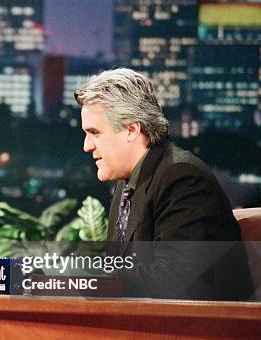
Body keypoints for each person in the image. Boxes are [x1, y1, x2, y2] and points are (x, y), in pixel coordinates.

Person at [74, 68, 253, 300]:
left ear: (131, 129)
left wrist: (81, 278)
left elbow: (166, 281)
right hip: (141, 324)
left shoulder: (182, 178)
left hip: (199, 331)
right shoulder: (128, 182)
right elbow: (118, 269)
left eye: (94, 132)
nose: (87, 146)